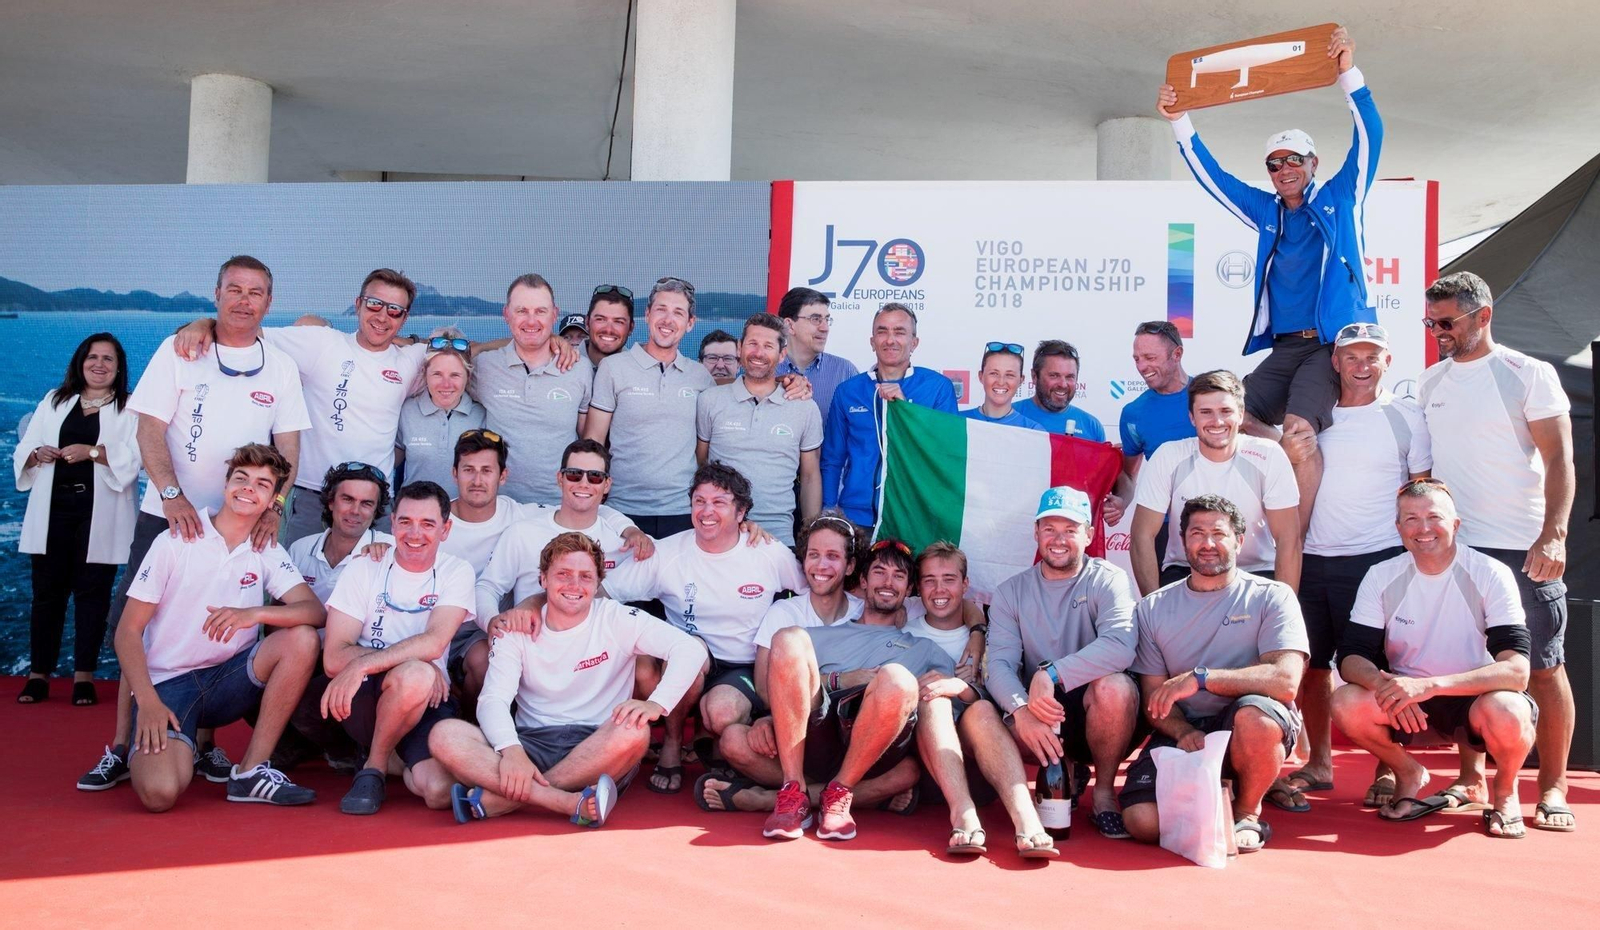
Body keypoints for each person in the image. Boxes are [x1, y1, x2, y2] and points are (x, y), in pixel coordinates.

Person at [77, 255, 310, 792]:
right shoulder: (181, 349)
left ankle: (205, 748)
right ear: (216, 294)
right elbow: (149, 431)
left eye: (255, 292)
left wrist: (274, 507)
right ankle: (120, 746)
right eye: (234, 289)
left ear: (268, 303)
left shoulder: (279, 367)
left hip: (244, 524)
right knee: (138, 622)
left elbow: (289, 446)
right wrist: (173, 495)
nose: (244, 300)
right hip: (169, 515)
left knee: (221, 621)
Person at [1158, 27, 1381, 518]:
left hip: (1328, 343)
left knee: (1300, 436)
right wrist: (1180, 122)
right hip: (1285, 346)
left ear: (1312, 163)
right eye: (1274, 163)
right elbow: (1214, 179)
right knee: (1231, 418)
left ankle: (1296, 546)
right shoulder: (1267, 210)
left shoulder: (1341, 196)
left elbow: (1370, 136)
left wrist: (1348, 76)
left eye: (1293, 160)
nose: (1284, 168)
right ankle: (1275, 500)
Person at [1418, 271, 1576, 832]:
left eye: (1446, 322)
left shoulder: (1528, 374)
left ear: (1483, 316)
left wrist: (1553, 534)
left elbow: (1560, 460)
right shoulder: (1430, 382)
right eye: (1430, 322)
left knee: (1542, 667)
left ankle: (1552, 787)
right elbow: (1426, 473)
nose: (1437, 332)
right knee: (1473, 666)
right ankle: (1472, 777)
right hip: (1460, 551)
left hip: (1522, 548)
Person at [431, 532, 707, 828]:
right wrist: (511, 751)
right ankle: (563, 801)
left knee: (634, 732)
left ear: (597, 583)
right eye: (563, 574)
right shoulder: (517, 629)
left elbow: (689, 649)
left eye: (585, 577)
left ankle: (512, 797)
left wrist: (657, 704)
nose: (574, 585)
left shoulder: (618, 618)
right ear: (543, 580)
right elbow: (494, 699)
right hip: (530, 742)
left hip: (597, 744)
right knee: (445, 735)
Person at [114, 443, 324, 811]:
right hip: (169, 687)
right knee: (159, 794)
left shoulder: (266, 548)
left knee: (302, 639)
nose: (248, 488)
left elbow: (314, 612)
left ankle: (250, 772)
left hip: (229, 683)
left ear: (274, 499)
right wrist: (146, 702)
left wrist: (252, 615)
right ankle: (182, 746)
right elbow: (127, 631)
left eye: (261, 483)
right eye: (241, 478)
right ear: (226, 485)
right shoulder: (176, 540)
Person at [1331, 479, 1537, 837]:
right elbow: (1351, 657)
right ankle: (1408, 770)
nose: (1423, 528)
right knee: (1346, 702)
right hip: (1407, 702)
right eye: (1410, 519)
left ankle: (1504, 791)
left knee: (1510, 710)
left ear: (1455, 525)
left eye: (1433, 517)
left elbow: (1517, 671)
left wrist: (1429, 686)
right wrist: (1387, 685)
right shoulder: (1381, 575)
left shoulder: (1490, 573)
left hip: (1472, 701)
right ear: (1398, 529)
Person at [175, 268, 430, 542]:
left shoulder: (412, 359)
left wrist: (415, 341)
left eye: (394, 311)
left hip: (375, 500)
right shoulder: (320, 343)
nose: (382, 316)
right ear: (358, 304)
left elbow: (464, 351)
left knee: (375, 581)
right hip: (313, 495)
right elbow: (246, 332)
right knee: (296, 578)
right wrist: (202, 324)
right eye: (375, 304)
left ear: (404, 318)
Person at [1289, 323, 1429, 811]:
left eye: (1372, 356)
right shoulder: (1315, 416)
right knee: (1311, 667)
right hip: (1311, 557)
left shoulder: (1407, 417)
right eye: (1352, 357)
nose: (1362, 366)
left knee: (1378, 668)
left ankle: (1388, 768)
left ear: (1388, 361)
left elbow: (1421, 492)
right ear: (1336, 363)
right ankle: (1320, 763)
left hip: (1377, 561)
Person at [1120, 494, 1310, 853]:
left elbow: (1286, 681)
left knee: (1255, 715)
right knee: (1142, 822)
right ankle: (1219, 785)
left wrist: (1203, 677)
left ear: (1239, 541)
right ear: (1182, 541)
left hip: (1248, 724)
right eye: (1196, 533)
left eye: (1218, 533)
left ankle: (1247, 812)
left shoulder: (1273, 596)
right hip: (1189, 731)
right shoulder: (1152, 608)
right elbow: (1154, 697)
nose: (1207, 544)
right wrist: (1183, 730)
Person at [601, 462, 806, 793]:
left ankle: (712, 736)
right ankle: (671, 742)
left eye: (719, 502)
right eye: (699, 501)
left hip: (742, 664)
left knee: (721, 714)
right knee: (684, 652)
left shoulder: (767, 552)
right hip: (687, 660)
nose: (707, 511)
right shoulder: (667, 552)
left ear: (741, 513)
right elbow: (605, 592)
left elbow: (812, 594)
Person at [758, 538, 952, 841]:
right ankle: (794, 792)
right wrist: (842, 679)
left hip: (878, 751)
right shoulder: (819, 636)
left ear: (910, 590)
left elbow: (945, 714)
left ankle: (840, 792)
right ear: (862, 580)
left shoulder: (927, 650)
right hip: (819, 736)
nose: (888, 582)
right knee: (786, 638)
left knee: (898, 678)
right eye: (879, 572)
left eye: (899, 576)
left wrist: (962, 680)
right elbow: (788, 686)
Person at [987, 486, 1142, 839]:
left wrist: (1053, 673)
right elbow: (998, 665)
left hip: (1097, 709)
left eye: (1070, 530)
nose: (1058, 540)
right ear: (1036, 533)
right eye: (1049, 529)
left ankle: (1103, 793)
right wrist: (1020, 711)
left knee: (1116, 687)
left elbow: (1121, 646)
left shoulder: (1108, 578)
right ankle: (1065, 771)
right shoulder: (1011, 591)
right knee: (994, 715)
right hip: (1040, 711)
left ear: (1088, 534)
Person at [321, 480, 476, 815]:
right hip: (364, 695)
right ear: (392, 524)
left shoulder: (457, 571)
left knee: (438, 791)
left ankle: (389, 754)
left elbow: (435, 641)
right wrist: (413, 663)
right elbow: (334, 657)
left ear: (445, 530)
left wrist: (363, 661)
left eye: (428, 524)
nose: (414, 533)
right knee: (419, 673)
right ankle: (373, 769)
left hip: (425, 699)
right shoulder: (364, 567)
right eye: (405, 522)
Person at [698, 512, 864, 812]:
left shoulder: (865, 611)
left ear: (850, 565)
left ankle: (768, 798)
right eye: (813, 555)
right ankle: (844, 793)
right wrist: (773, 718)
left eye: (833, 556)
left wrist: (974, 628)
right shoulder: (784, 612)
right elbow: (763, 686)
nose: (821, 565)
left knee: (906, 772)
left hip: (848, 736)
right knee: (733, 740)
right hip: (798, 734)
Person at [469, 438, 653, 700]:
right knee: (481, 659)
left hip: (597, 653)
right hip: (533, 646)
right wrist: (491, 621)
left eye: (595, 477)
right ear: (560, 478)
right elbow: (487, 586)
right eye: (574, 474)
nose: (584, 483)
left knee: (645, 668)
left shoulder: (623, 542)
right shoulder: (524, 532)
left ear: (607, 484)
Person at [911, 541, 1060, 858]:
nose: (940, 589)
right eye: (929, 580)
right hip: (923, 766)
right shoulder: (902, 629)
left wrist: (960, 685)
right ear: (918, 586)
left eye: (949, 579)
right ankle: (962, 814)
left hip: (985, 766)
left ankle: (1026, 819)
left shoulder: (990, 635)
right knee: (933, 698)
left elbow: (998, 689)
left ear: (965, 585)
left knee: (980, 708)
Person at [15, 333, 139, 706]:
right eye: (92, 357)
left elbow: (135, 459)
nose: (99, 365)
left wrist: (94, 452)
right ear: (80, 363)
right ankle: (39, 676)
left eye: (108, 360)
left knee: (93, 597)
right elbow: (25, 447)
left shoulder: (130, 408)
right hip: (53, 511)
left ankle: (83, 676)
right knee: (46, 596)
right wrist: (37, 453)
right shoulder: (54, 401)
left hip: (99, 515)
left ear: (118, 369)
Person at [1128, 369, 1300, 596]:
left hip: (1255, 572)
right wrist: (1152, 608)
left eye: (1225, 411)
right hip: (1185, 570)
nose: (1217, 421)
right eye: (1206, 412)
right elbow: (1142, 535)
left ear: (1241, 414)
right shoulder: (1168, 456)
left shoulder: (1268, 455)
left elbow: (1289, 538)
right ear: (1192, 417)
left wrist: (1284, 611)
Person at [585, 277, 714, 537]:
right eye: (661, 309)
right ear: (647, 315)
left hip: (682, 512)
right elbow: (594, 441)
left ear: (690, 324)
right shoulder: (613, 368)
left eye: (678, 313)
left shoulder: (701, 377)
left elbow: (705, 449)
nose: (668, 320)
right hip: (621, 510)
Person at [822, 303, 958, 528]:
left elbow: (945, 455)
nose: (890, 339)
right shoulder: (848, 391)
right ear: (872, 341)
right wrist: (829, 511)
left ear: (914, 342)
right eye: (882, 331)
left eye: (900, 332)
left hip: (914, 516)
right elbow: (832, 459)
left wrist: (906, 412)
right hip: (857, 517)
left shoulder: (937, 388)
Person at [696, 313, 823, 546]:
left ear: (782, 353)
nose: (758, 353)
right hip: (720, 535)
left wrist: (810, 536)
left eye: (768, 346)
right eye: (752, 343)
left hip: (779, 538)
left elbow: (810, 476)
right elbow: (701, 462)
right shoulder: (710, 400)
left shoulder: (804, 407)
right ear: (739, 347)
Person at [472, 274, 594, 506]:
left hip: (561, 507)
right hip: (498, 507)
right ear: (506, 314)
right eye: (521, 311)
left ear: (554, 314)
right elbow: (444, 355)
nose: (531, 320)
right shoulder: (484, 366)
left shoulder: (580, 368)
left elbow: (587, 440)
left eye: (540, 311)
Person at [285, 462, 395, 603]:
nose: (355, 511)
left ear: (376, 511)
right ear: (331, 502)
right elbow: (278, 614)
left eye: (366, 503)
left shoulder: (391, 549)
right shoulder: (299, 549)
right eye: (348, 499)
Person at [395, 331, 484, 493]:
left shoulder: (482, 415)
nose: (446, 384)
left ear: (468, 377)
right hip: (416, 513)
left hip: (464, 515)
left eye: (455, 375)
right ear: (425, 374)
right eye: (437, 374)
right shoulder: (407, 410)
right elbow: (390, 459)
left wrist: (482, 347)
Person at [775, 287, 858, 427]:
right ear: (789, 325)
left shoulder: (845, 371)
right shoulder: (768, 370)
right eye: (816, 319)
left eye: (827, 319)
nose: (825, 328)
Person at [1013, 340, 1105, 439]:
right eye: (1054, 375)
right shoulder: (1008, 418)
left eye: (1069, 377)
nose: (1063, 384)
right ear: (1034, 376)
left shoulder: (1092, 427)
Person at [961, 342, 1046, 430]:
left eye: (1009, 375)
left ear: (1021, 380)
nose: (1001, 382)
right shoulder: (958, 422)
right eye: (994, 373)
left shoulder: (1033, 430)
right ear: (981, 376)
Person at [583, 285, 636, 368]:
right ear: (587, 322)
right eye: (600, 319)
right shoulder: (561, 362)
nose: (608, 329)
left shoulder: (639, 371)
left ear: (631, 328)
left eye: (618, 322)